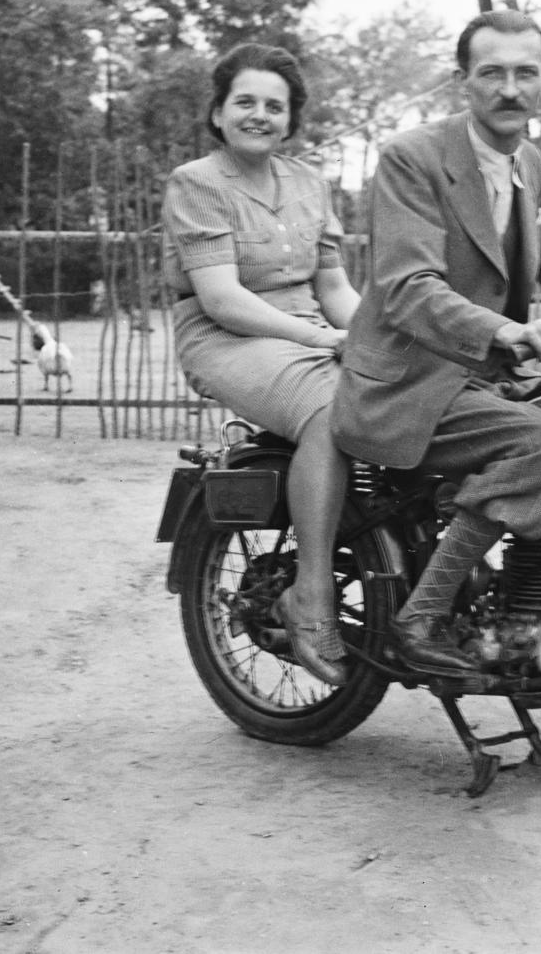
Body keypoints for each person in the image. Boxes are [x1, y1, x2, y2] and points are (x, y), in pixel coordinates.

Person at [331, 10, 541, 676]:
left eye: (526, 73)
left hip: (478, 380)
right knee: (538, 442)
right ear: (463, 80)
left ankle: (532, 617)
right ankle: (420, 618)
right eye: (492, 73)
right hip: (408, 383)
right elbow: (408, 287)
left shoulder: (526, 162)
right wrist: (508, 332)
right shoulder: (414, 158)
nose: (510, 89)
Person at [161, 43, 358, 687]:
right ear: (218, 113)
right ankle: (312, 597)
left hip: (305, 329)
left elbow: (334, 288)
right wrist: (321, 340)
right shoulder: (198, 183)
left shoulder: (309, 183)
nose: (260, 115)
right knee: (331, 409)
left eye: (275, 106)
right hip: (225, 336)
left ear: (290, 119)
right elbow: (221, 298)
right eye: (245, 101)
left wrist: (373, 333)